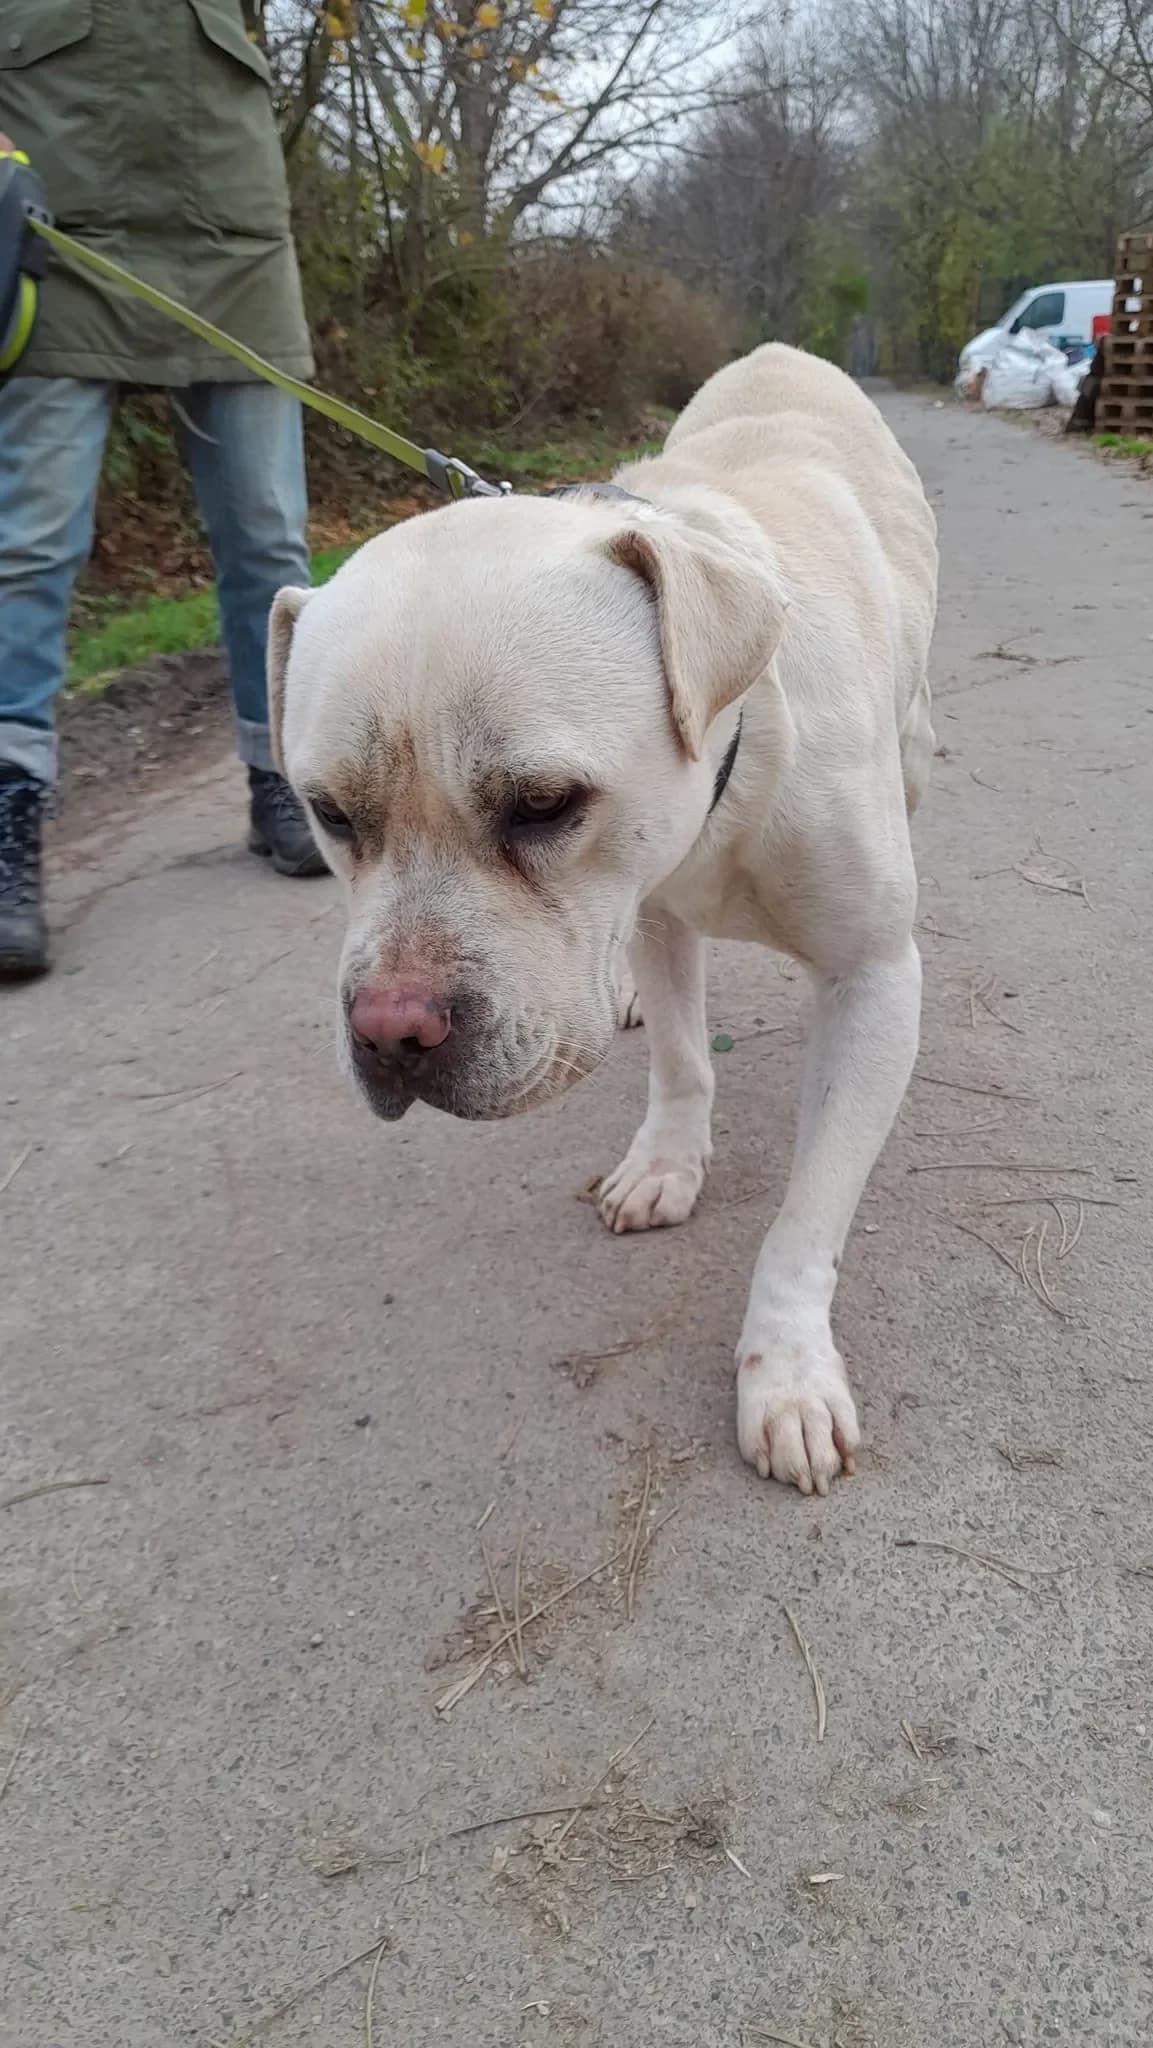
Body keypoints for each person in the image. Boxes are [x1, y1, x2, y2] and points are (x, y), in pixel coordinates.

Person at [0, 0, 327, 981]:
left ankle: (283, 774)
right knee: (29, 545)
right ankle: (9, 808)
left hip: (226, 214)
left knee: (267, 535)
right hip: (54, 200)